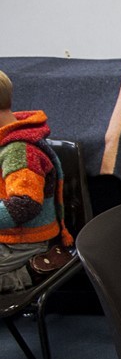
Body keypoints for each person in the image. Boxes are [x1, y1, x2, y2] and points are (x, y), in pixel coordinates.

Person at [0, 69, 74, 292]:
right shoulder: (6, 139)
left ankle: (27, 274)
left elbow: (25, 204)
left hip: (24, 242)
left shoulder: (19, 152)